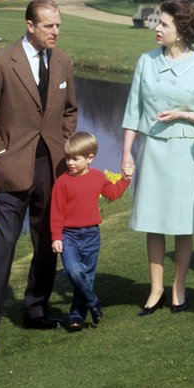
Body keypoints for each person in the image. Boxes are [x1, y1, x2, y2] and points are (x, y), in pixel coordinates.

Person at [0, 0, 78, 352]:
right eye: (49, 26)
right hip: (11, 167)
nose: (55, 32)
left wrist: (63, 145)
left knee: (48, 241)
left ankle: (36, 309)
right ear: (30, 26)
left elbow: (70, 111)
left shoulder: (63, 62)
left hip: (53, 167)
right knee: (3, 245)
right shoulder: (0, 64)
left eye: (58, 25)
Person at [121, 0, 194, 315]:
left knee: (182, 223)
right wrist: (126, 152)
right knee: (153, 220)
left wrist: (184, 115)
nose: (157, 28)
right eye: (158, 22)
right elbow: (133, 111)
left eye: (164, 24)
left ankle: (178, 288)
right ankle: (155, 290)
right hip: (151, 150)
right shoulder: (146, 62)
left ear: (180, 32)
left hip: (185, 153)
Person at [50, 132, 133, 331]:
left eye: (75, 159)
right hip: (68, 236)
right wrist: (56, 237)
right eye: (68, 158)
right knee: (73, 271)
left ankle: (76, 315)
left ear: (89, 158)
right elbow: (56, 212)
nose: (69, 163)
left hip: (91, 235)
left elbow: (112, 194)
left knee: (86, 276)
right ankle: (93, 302)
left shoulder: (97, 177)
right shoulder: (62, 182)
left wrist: (125, 180)